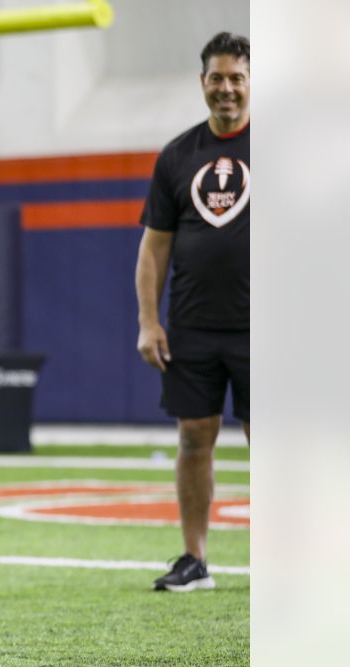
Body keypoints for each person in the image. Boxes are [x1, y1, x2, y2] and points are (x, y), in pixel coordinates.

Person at [135, 31, 249, 592]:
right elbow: (154, 247)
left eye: (236, 78)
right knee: (193, 439)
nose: (226, 88)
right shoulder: (178, 155)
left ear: (250, 82)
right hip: (193, 326)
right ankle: (194, 560)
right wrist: (149, 321)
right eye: (217, 78)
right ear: (202, 82)